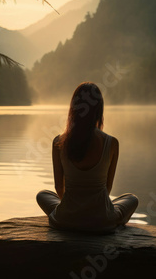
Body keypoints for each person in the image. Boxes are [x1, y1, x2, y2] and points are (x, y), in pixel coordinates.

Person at [36, 82, 139, 232]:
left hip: (66, 220)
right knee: (132, 199)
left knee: (42, 195)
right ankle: (106, 216)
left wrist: (73, 207)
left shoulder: (59, 142)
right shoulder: (112, 143)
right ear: (99, 110)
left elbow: (59, 188)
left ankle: (68, 213)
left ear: (73, 108)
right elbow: (107, 188)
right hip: (103, 222)